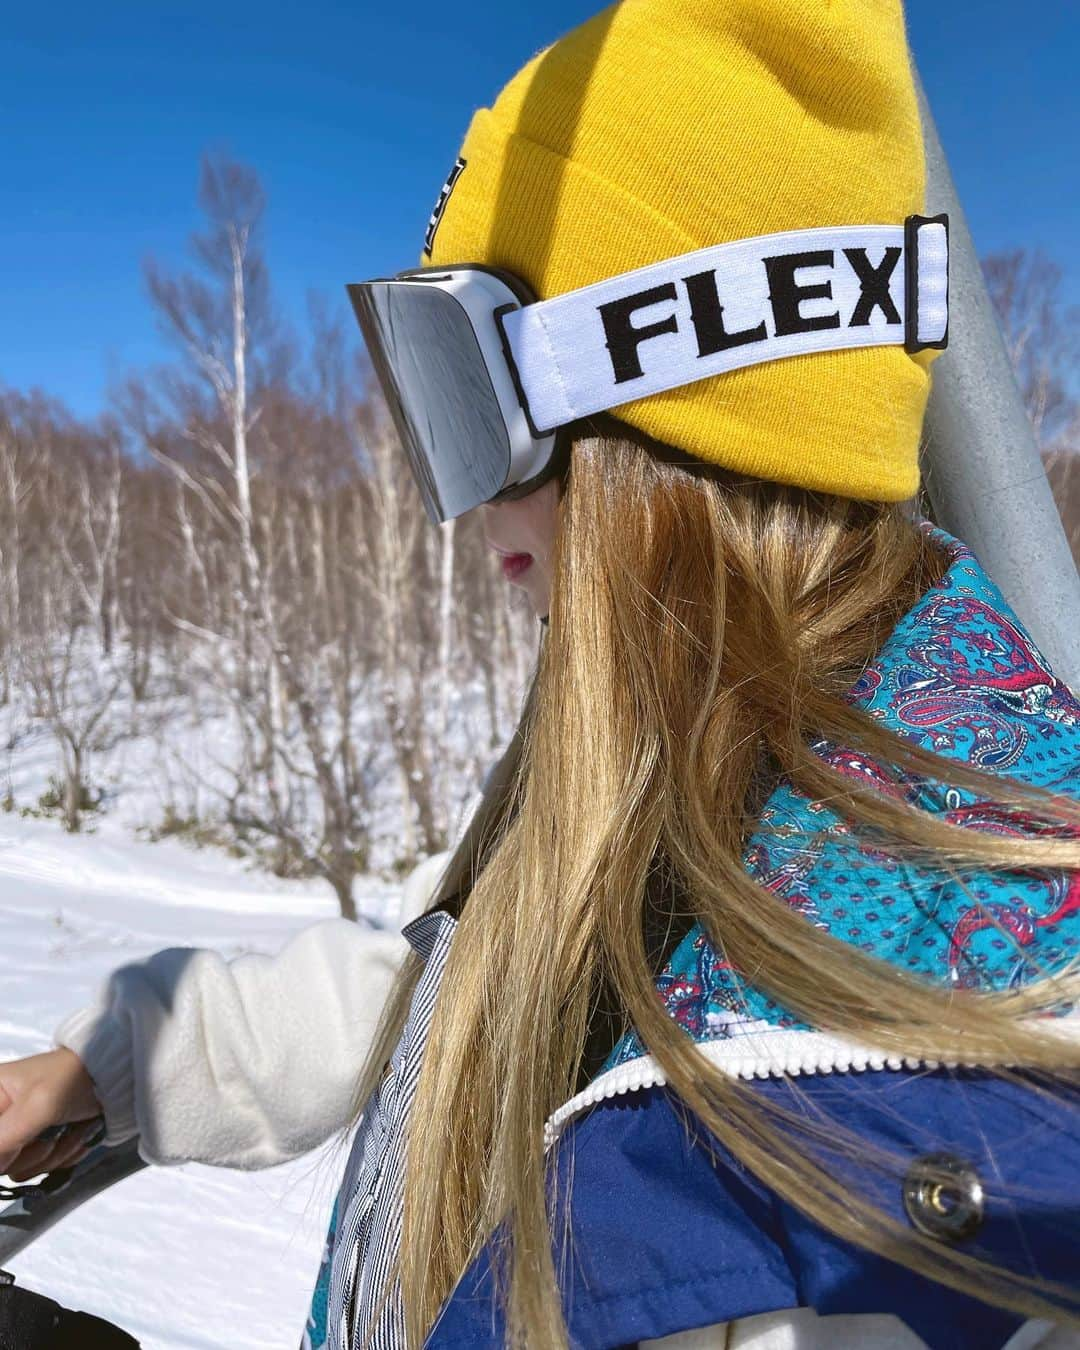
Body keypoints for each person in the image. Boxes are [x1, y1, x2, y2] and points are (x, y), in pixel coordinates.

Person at [2, 0, 1080, 1347]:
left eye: (466, 394)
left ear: (669, 383)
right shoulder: (679, 749)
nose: (465, 513)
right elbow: (471, 983)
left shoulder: (908, 1123)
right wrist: (146, 1054)